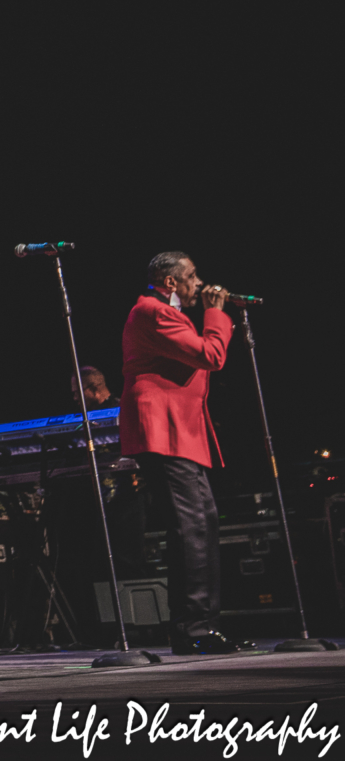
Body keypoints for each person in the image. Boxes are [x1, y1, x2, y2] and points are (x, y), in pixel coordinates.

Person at [119, 251, 253, 655]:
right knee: (191, 527)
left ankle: (202, 626)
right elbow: (210, 355)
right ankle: (193, 629)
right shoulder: (152, 311)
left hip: (179, 431)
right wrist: (216, 313)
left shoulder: (166, 312)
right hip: (164, 430)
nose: (200, 283)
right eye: (192, 276)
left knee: (203, 522)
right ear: (171, 281)